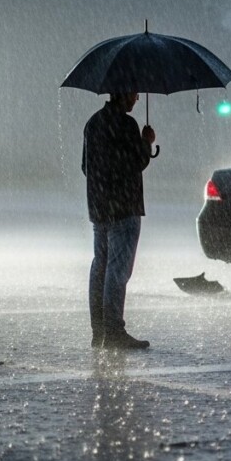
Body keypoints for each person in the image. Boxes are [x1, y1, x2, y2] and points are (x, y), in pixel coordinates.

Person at [82, 91, 155, 349]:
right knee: (117, 270)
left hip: (99, 208)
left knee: (100, 267)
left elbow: (85, 167)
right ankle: (114, 331)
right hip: (124, 207)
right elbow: (136, 162)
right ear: (122, 94)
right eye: (133, 94)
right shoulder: (126, 125)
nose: (136, 99)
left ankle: (99, 330)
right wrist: (146, 142)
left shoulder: (93, 123)